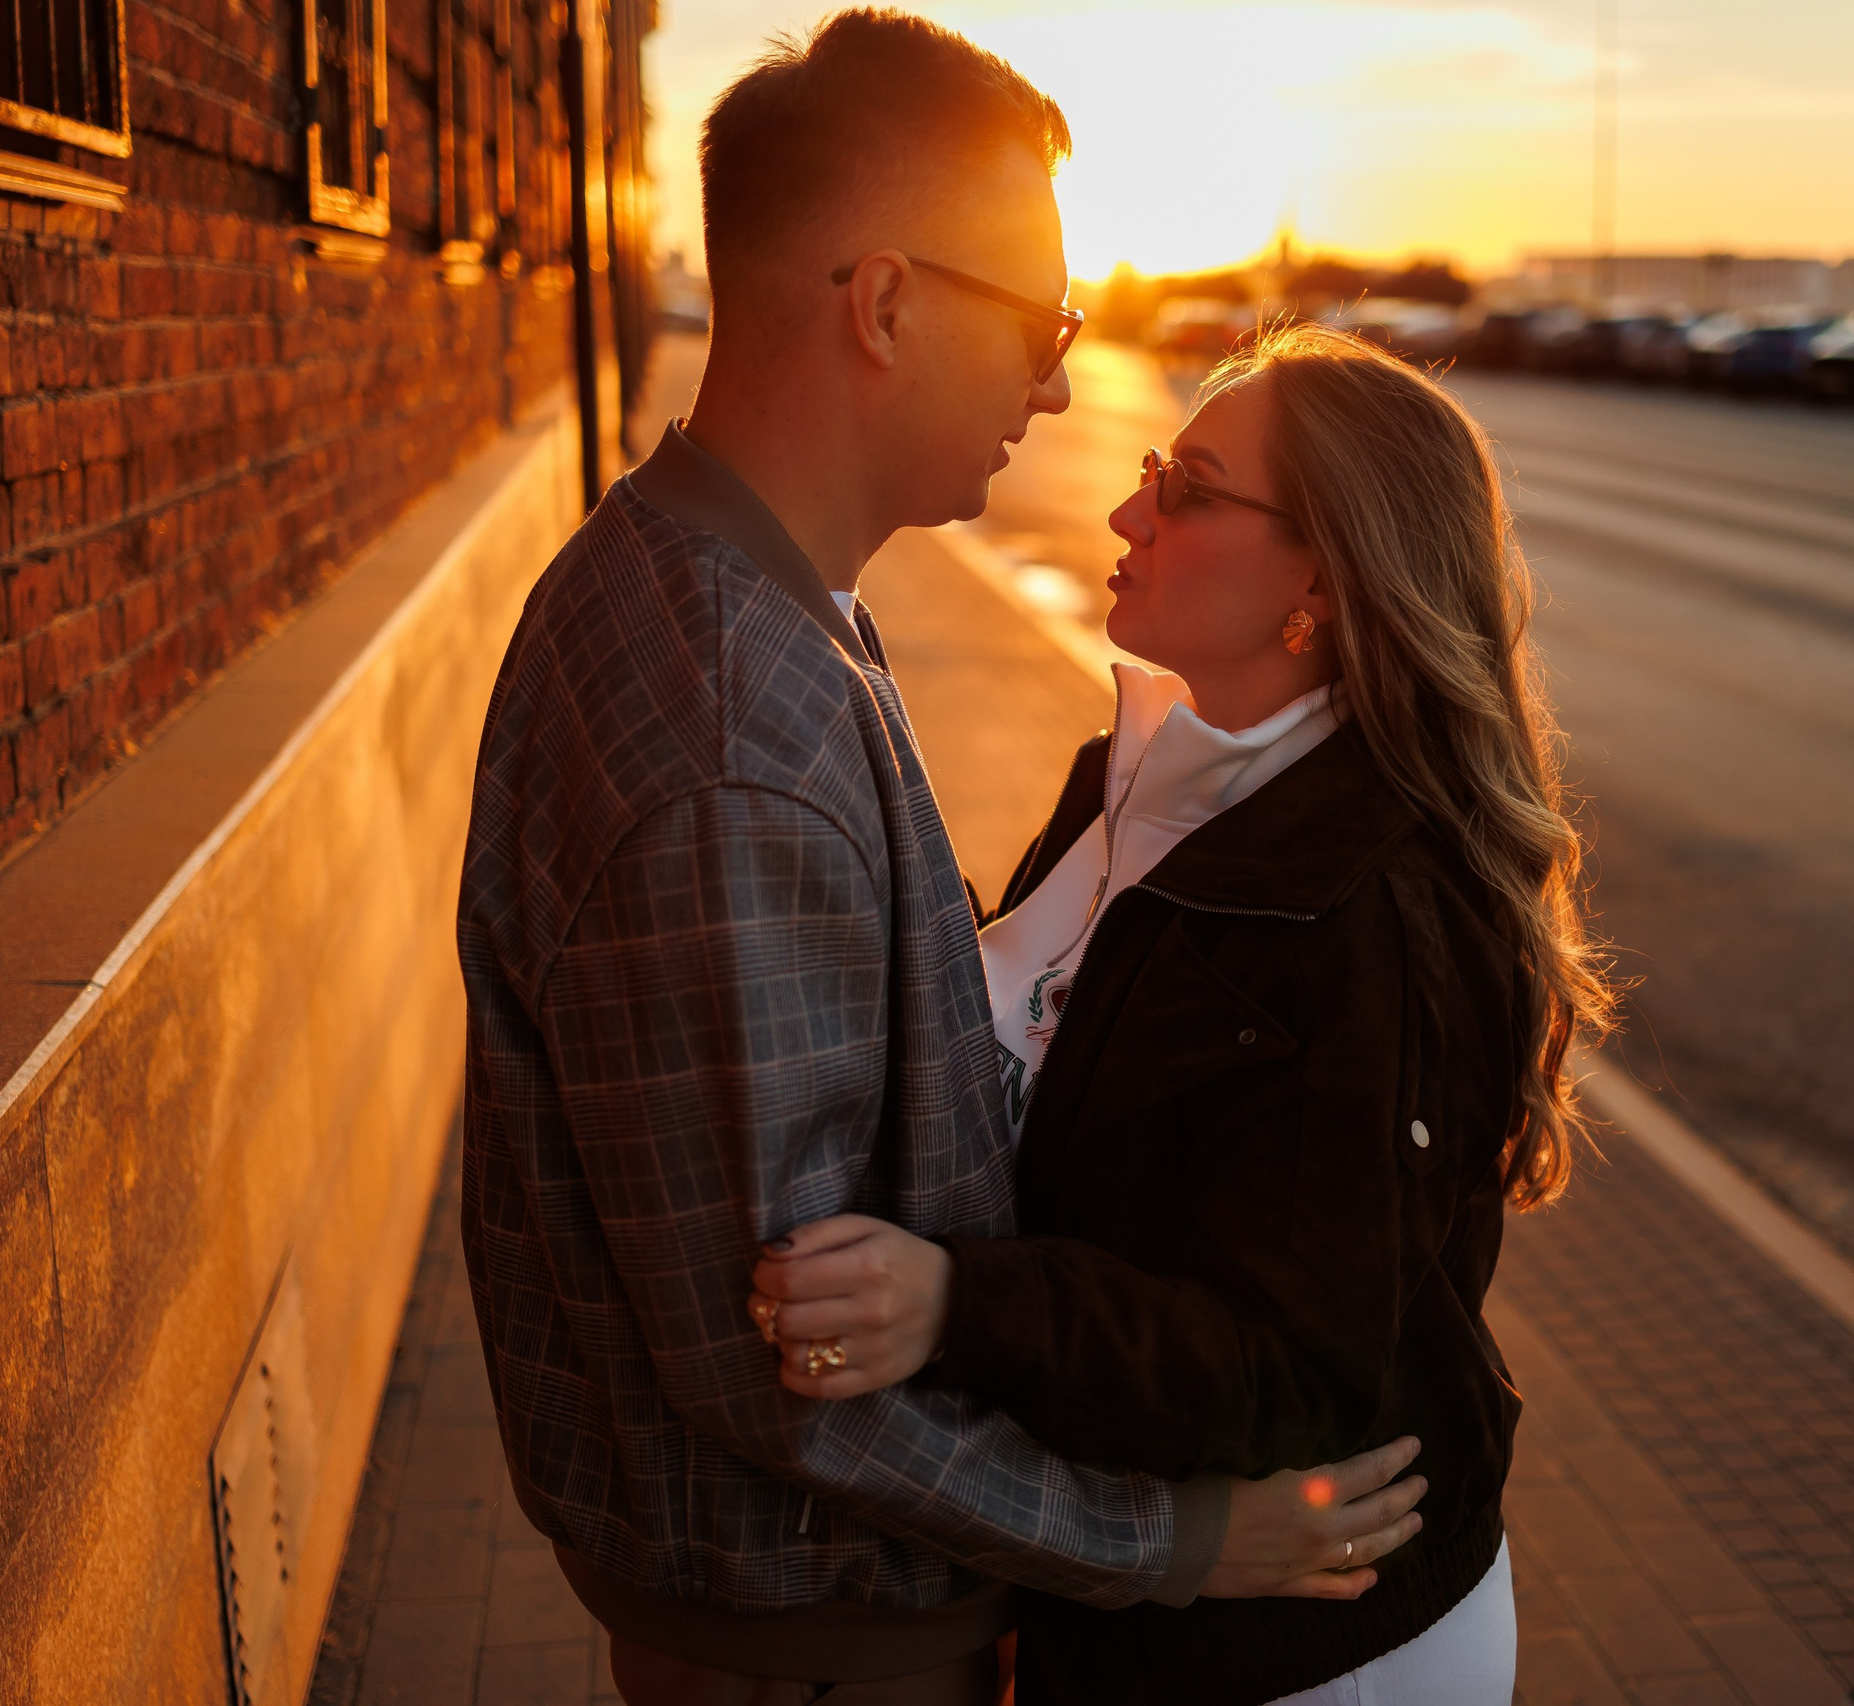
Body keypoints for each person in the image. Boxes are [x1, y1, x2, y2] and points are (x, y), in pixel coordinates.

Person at [455, 17, 1421, 1705]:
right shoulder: (727, 737)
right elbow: (783, 1371)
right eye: (1043, 323)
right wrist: (1182, 1539)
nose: (1059, 384)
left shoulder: (742, 592)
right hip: (823, 1648)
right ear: (886, 303)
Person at [746, 322, 1616, 1705]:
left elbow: (1288, 1362)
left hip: (1307, 1650)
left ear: (1321, 584)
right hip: (1147, 1602)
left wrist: (961, 1308)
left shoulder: (1372, 910)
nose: (1125, 507)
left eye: (1191, 488)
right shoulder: (1135, 775)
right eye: (1157, 465)